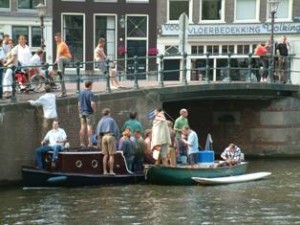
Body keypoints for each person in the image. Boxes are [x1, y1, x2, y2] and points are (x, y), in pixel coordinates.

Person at [96, 108, 120, 175]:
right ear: (109, 113)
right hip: (110, 136)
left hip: (103, 137)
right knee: (111, 155)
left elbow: (98, 132)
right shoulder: (111, 120)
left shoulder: (101, 121)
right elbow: (116, 130)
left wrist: (99, 141)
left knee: (105, 155)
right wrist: (117, 138)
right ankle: (111, 171)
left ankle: (104, 171)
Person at [78, 80, 96, 148]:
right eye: (92, 85)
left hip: (82, 112)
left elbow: (79, 104)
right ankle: (90, 143)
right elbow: (92, 103)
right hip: (89, 112)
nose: (92, 86)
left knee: (82, 127)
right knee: (89, 127)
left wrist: (79, 111)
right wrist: (94, 110)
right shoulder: (90, 93)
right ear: (90, 85)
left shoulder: (81, 93)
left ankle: (81, 143)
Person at [54, 32, 72, 97]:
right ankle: (63, 92)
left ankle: (60, 70)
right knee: (60, 78)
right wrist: (56, 61)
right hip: (61, 61)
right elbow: (57, 54)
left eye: (57, 38)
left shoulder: (62, 44)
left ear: (60, 38)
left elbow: (59, 54)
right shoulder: (58, 44)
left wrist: (56, 61)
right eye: (55, 38)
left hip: (67, 59)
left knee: (60, 59)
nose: (56, 39)